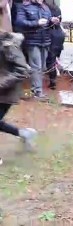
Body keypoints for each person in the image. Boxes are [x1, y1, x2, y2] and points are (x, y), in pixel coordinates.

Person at [0, 31, 38, 164]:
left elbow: (22, 70)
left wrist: (1, 83)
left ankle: (24, 134)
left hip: (5, 93)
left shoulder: (8, 45)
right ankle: (24, 133)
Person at [16, 0, 60, 100]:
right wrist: (36, 23)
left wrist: (52, 20)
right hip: (32, 41)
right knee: (36, 66)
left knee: (42, 66)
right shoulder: (24, 6)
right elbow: (19, 22)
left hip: (45, 41)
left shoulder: (45, 7)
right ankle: (37, 92)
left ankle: (35, 90)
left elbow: (48, 21)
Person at [45, 0, 65, 90]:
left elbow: (47, 22)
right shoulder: (57, 8)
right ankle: (57, 69)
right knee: (54, 57)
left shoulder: (45, 8)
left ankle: (53, 82)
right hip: (59, 35)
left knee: (50, 59)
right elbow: (59, 20)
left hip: (51, 35)